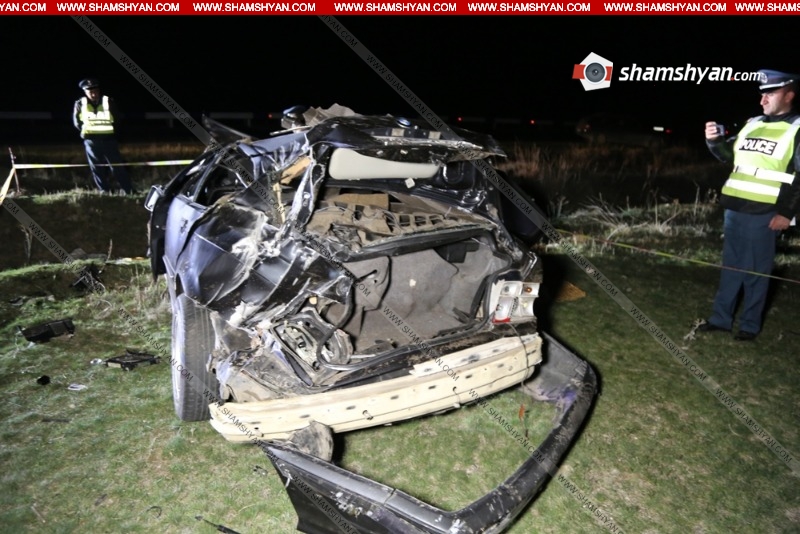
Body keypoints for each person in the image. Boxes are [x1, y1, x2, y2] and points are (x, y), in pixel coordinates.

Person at [699, 69, 800, 341]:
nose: (762, 99)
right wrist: (714, 141)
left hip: (765, 211)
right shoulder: (753, 123)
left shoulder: (797, 128)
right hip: (734, 208)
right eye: (762, 94)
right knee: (731, 267)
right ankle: (720, 320)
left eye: (770, 93)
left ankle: (749, 326)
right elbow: (727, 155)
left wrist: (786, 213)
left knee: (756, 271)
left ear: (789, 95)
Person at [72, 78, 132, 194]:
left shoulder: (108, 101)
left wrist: (111, 133)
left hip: (109, 140)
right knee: (96, 168)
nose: (93, 94)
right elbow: (77, 123)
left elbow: (117, 120)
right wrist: (88, 133)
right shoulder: (79, 104)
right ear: (85, 92)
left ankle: (128, 190)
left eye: (95, 91)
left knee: (117, 167)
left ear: (99, 90)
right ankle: (104, 191)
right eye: (90, 92)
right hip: (91, 141)